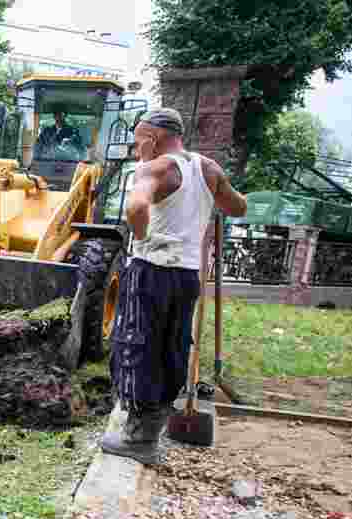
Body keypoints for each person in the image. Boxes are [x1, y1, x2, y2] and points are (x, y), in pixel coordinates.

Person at [100, 108, 247, 464]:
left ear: (152, 138)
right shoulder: (207, 168)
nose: (137, 152)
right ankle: (153, 427)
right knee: (173, 345)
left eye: (138, 143)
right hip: (187, 275)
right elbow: (238, 207)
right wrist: (206, 202)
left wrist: (142, 237)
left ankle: (137, 439)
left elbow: (136, 207)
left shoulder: (156, 168)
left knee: (136, 343)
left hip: (151, 269)